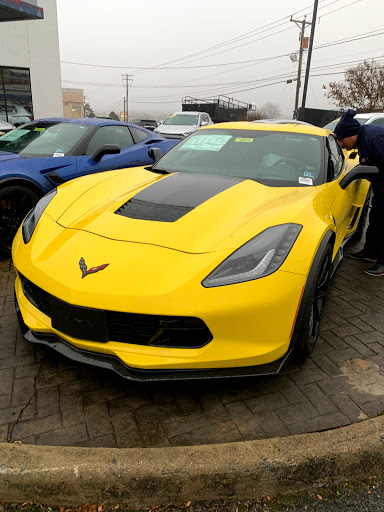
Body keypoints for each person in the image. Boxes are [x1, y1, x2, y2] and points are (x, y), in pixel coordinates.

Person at [334, 109, 384, 276]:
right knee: (375, 219)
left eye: (341, 139)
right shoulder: (364, 139)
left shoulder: (374, 138)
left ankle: (382, 264)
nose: (341, 144)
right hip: (381, 187)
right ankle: (370, 253)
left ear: (350, 134)